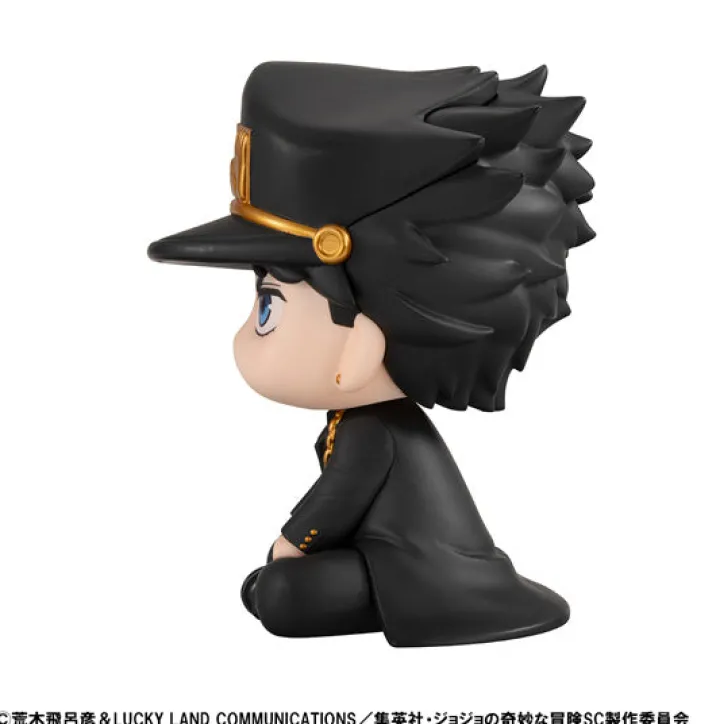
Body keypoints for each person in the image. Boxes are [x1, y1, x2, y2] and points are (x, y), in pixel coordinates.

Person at [148, 61, 595, 647]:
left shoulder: (373, 433)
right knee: (278, 589)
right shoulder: (369, 422)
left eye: (269, 307)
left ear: (359, 347)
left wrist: (291, 544)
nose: (247, 332)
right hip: (388, 558)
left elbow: (336, 502)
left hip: (418, 579)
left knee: (281, 594)